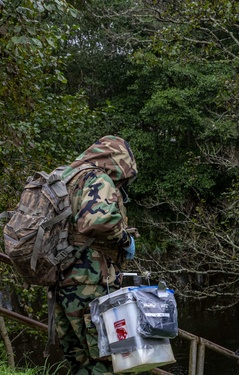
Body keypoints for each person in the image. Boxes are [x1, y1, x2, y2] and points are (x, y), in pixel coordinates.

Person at [54, 135, 138, 375]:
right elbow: (98, 221)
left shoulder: (67, 177)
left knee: (79, 359)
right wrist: (126, 240)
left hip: (63, 278)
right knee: (105, 359)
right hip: (91, 282)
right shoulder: (98, 178)